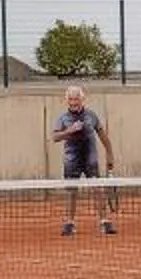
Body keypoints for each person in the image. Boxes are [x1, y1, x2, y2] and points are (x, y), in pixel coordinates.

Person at [50, 86, 117, 235]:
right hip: (71, 159)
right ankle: (69, 223)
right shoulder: (63, 118)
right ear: (67, 101)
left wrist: (110, 154)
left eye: (76, 99)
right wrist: (70, 130)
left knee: (97, 189)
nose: (74, 102)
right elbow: (55, 137)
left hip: (90, 158)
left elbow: (103, 136)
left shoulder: (91, 116)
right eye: (71, 99)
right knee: (71, 191)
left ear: (82, 99)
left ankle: (104, 222)